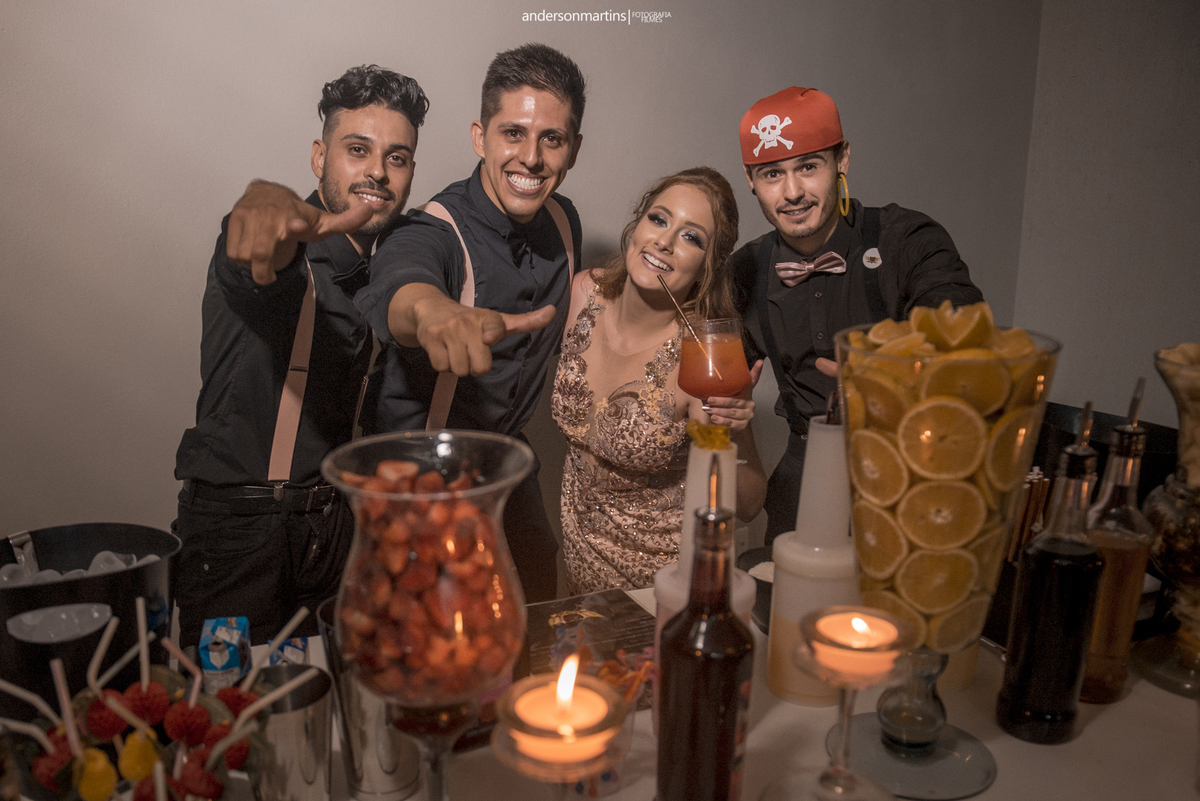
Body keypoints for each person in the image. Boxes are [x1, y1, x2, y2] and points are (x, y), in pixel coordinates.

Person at [173, 66, 430, 645]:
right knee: (232, 698)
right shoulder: (283, 249)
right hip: (242, 535)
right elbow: (253, 261)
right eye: (357, 150)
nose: (377, 171)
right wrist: (261, 208)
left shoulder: (391, 272)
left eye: (397, 157)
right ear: (319, 158)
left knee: (344, 689)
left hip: (339, 529)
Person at [355, 44, 586, 603]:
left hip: (506, 467)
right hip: (419, 485)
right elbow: (401, 282)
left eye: (552, 139)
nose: (531, 158)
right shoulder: (434, 228)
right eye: (513, 134)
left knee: (535, 610)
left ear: (573, 149)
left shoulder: (565, 223)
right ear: (480, 137)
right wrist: (433, 312)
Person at [730, 86, 983, 544]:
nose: (792, 192)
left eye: (809, 167)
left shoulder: (909, 240)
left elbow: (961, 334)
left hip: (908, 471)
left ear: (842, 159)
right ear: (750, 179)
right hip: (800, 482)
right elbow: (710, 381)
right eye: (772, 174)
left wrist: (888, 374)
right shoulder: (745, 270)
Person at [552, 167, 767, 594]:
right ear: (637, 224)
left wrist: (734, 432)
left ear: (708, 266)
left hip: (657, 591)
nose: (664, 242)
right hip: (577, 573)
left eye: (691, 237)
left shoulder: (704, 355)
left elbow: (747, 505)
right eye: (658, 219)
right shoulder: (584, 293)